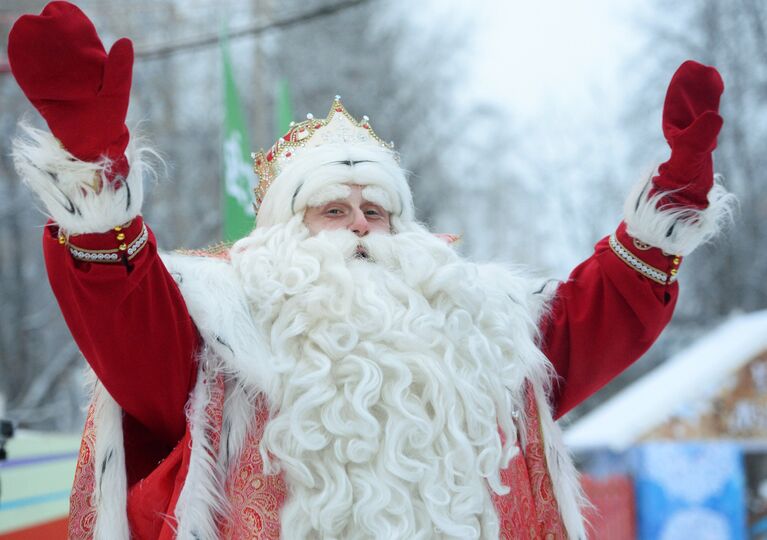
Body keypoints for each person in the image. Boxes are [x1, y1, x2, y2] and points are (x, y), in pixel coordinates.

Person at [8, 2, 733, 539]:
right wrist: (94, 176)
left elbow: (594, 316)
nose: (359, 223)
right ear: (283, 233)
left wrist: (669, 204)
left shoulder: (475, 327)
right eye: (331, 209)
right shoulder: (220, 331)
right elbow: (122, 315)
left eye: (377, 210)